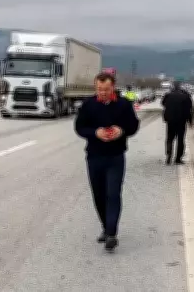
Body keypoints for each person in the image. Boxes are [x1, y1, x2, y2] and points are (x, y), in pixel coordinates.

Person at [74, 72, 140, 253]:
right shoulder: (88, 105)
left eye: (106, 89)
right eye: (99, 89)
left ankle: (111, 233)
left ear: (113, 87)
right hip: (94, 156)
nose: (102, 92)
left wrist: (121, 131)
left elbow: (134, 125)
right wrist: (95, 133)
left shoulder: (124, 105)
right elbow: (79, 127)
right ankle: (105, 226)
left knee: (113, 193)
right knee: (99, 195)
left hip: (115, 156)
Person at [161, 79, 193, 165]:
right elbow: (189, 109)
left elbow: (163, 104)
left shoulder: (168, 95)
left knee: (170, 138)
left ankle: (169, 156)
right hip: (181, 121)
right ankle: (178, 159)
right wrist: (190, 121)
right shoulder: (185, 96)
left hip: (170, 121)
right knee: (180, 140)